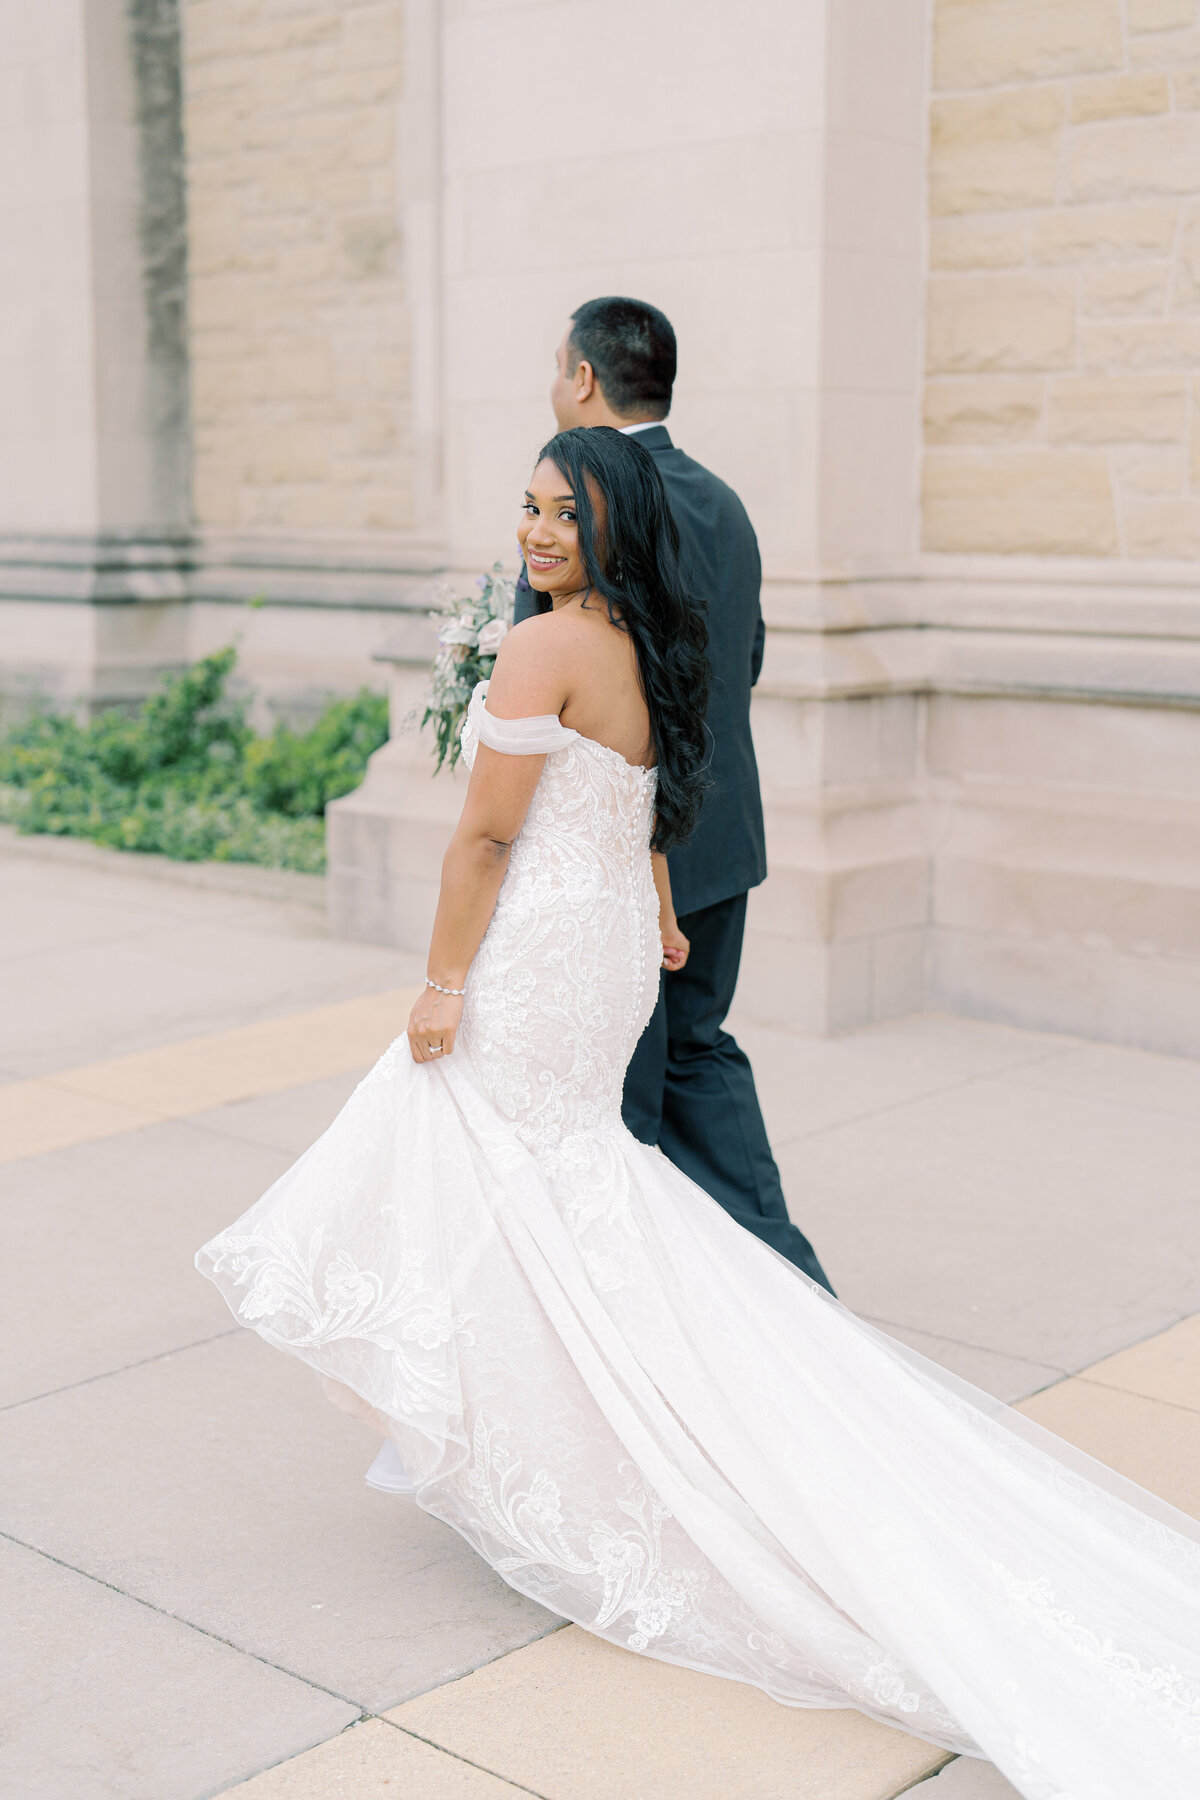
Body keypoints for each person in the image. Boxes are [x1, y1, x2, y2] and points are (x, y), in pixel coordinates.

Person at [199, 428, 1200, 1800]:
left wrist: (442, 981)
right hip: (603, 943)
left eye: (563, 514)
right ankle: (530, 1428)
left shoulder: (545, 647)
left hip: (545, 954)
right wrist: (660, 913)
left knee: (483, 1162)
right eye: (529, 508)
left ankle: (566, 1447)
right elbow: (648, 810)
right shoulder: (654, 634)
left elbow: (487, 837)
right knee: (559, 1184)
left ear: (612, 526)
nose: (536, 532)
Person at [514, 296, 832, 1293]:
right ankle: (793, 1291)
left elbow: (544, 686)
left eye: (555, 365)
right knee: (696, 1052)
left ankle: (642, 1328)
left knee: (613, 1103)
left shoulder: (581, 500)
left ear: (581, 378)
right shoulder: (725, 500)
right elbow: (748, 656)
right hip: (720, 837)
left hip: (619, 855)